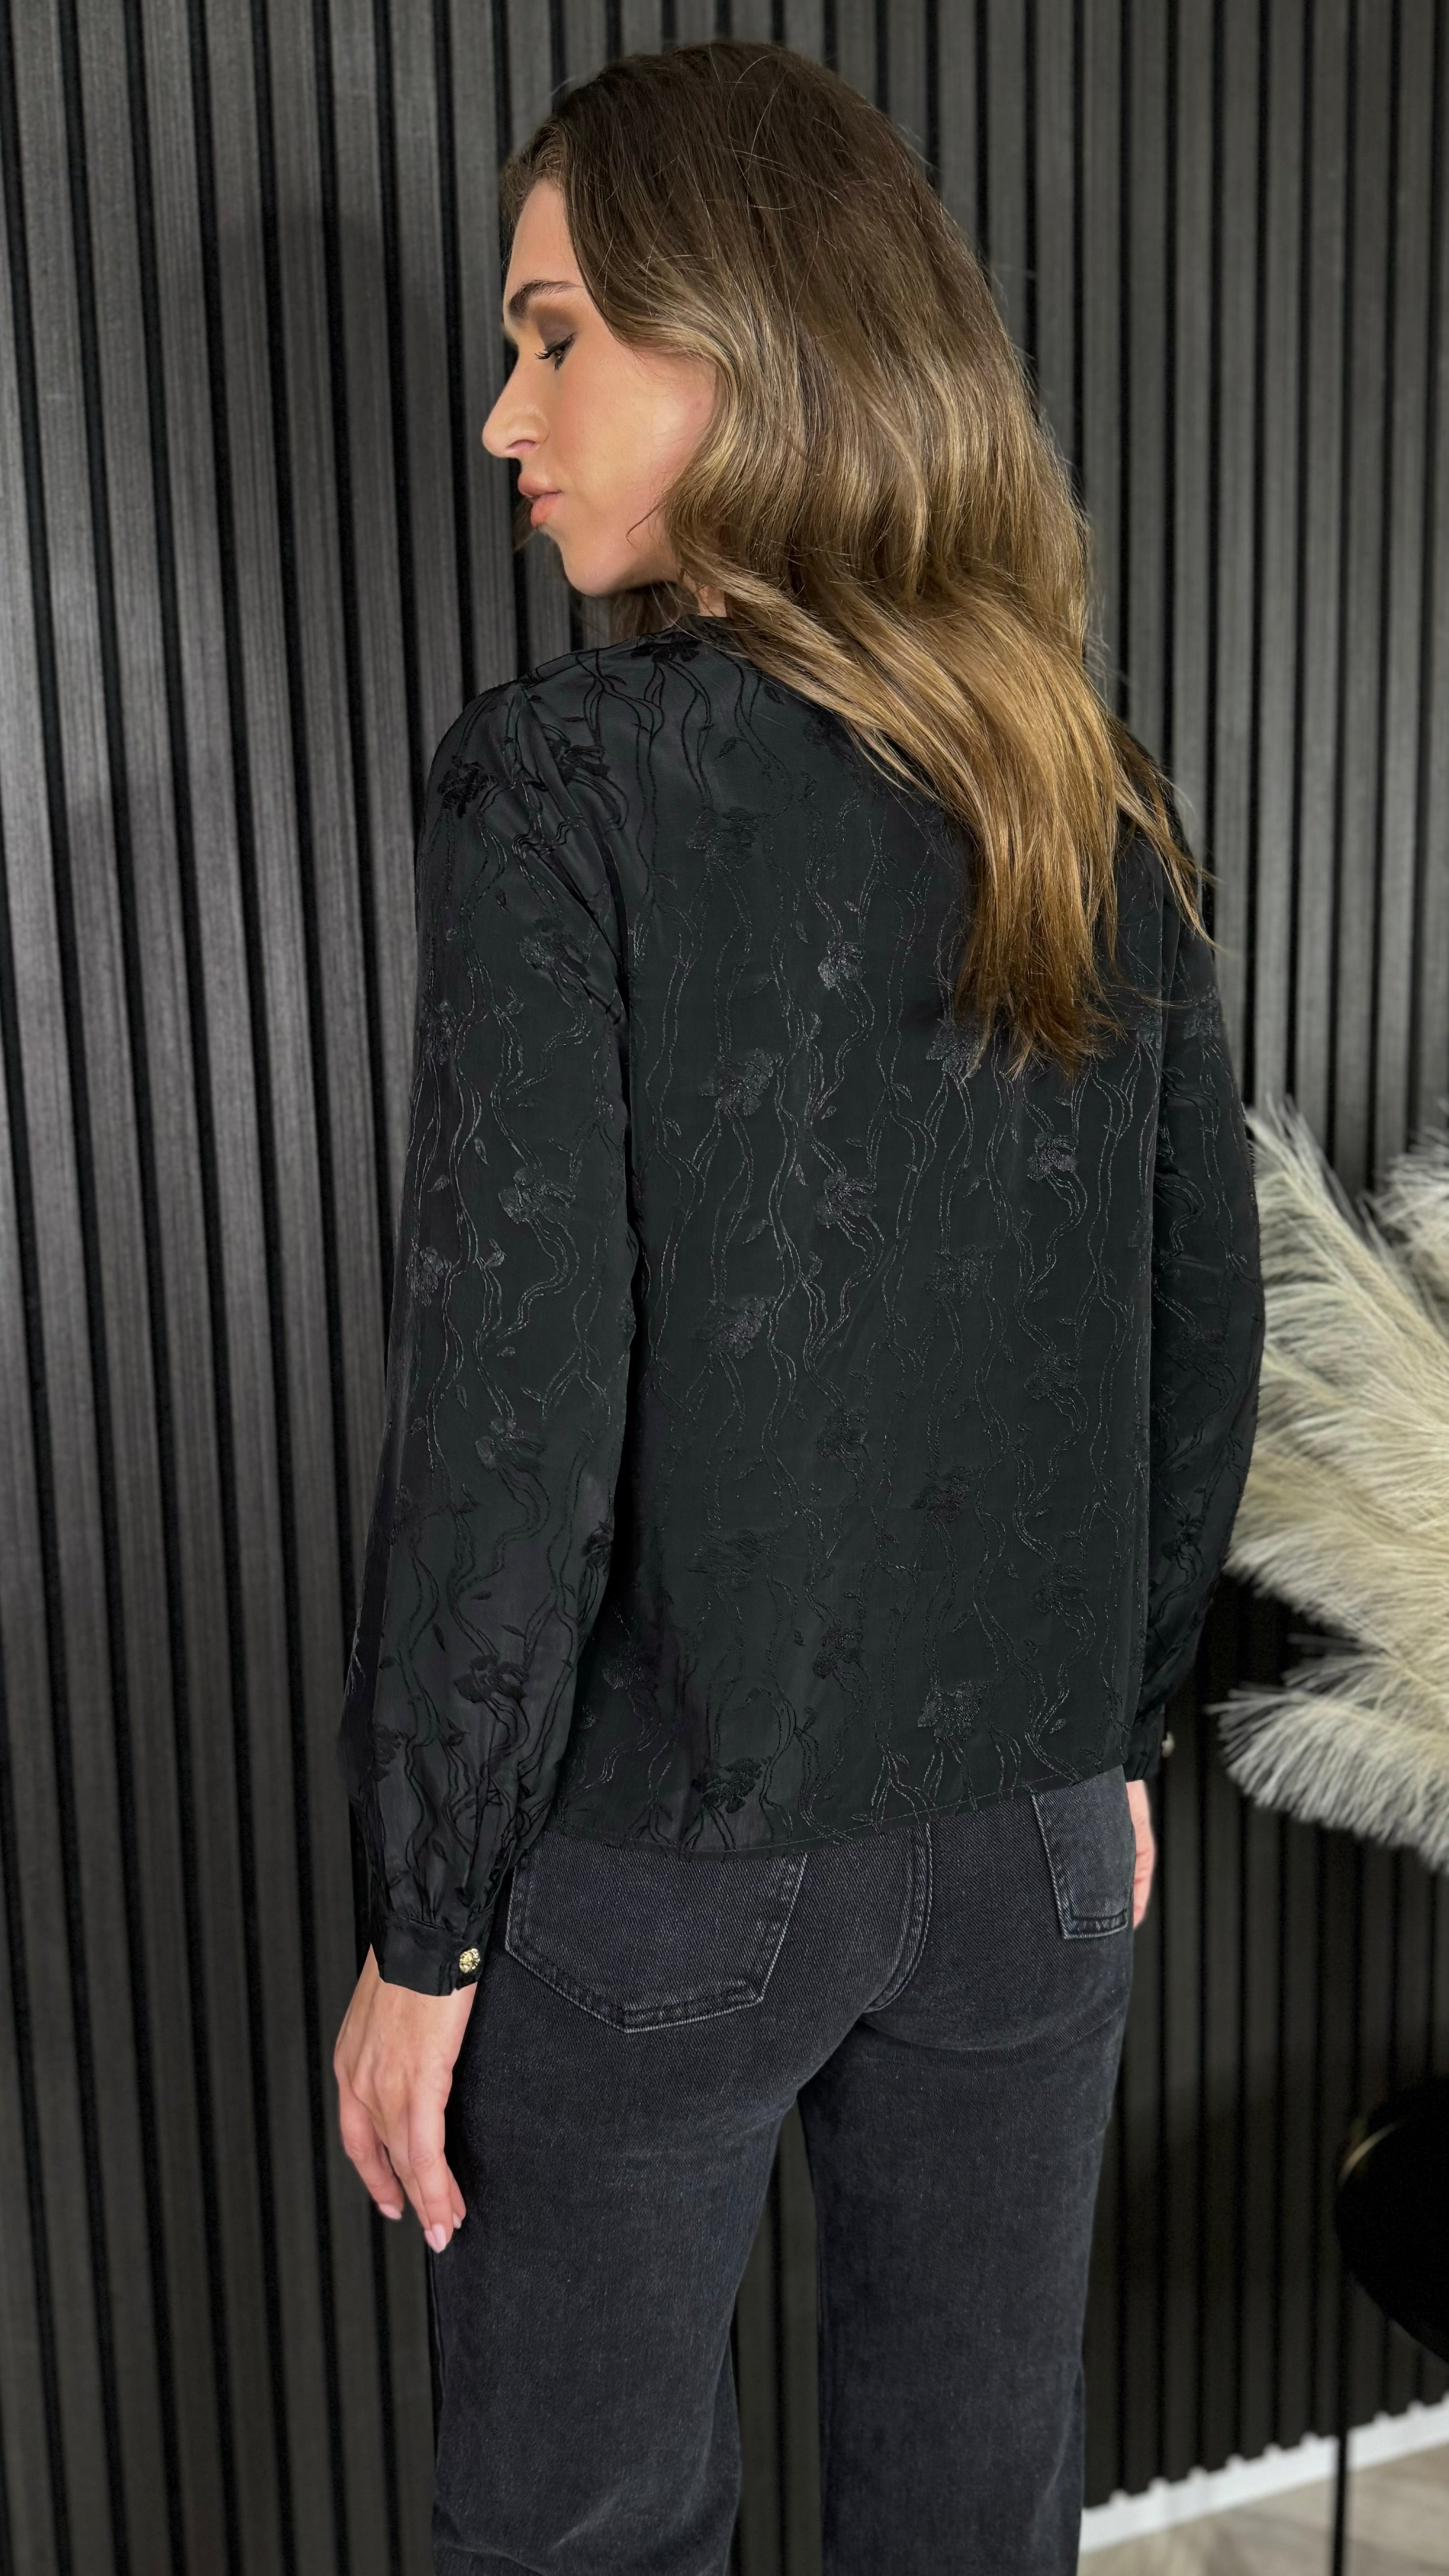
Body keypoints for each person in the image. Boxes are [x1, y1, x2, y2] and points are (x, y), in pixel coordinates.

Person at [331, 38, 1263, 2576]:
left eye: (552, 335)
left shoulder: (559, 790)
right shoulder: (1080, 776)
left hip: (670, 1850)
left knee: (586, 2532)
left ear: (742, 346)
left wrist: (426, 1920)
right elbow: (1201, 1319)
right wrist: (1107, 1730)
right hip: (1034, 1840)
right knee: (975, 2517)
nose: (505, 416)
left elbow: (514, 1411)